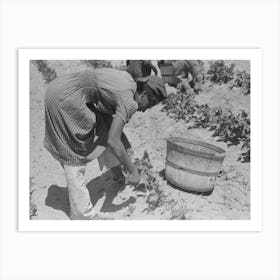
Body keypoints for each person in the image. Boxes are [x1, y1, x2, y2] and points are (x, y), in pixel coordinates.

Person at [44, 68, 167, 220]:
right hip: (64, 99)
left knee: (102, 128)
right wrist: (133, 170)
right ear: (145, 94)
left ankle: (117, 175)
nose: (145, 110)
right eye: (149, 104)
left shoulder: (128, 81)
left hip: (62, 87)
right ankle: (83, 216)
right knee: (75, 154)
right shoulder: (128, 102)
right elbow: (113, 141)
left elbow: (109, 127)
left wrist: (123, 163)